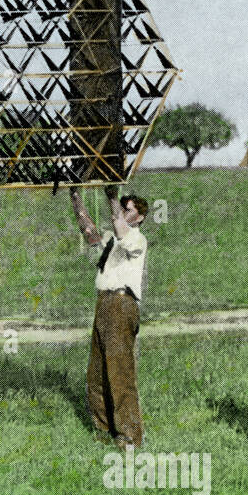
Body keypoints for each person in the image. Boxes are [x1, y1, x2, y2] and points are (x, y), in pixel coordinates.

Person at [71, 184, 150, 449]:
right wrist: (75, 197)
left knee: (120, 372)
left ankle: (129, 435)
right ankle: (103, 429)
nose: (121, 213)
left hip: (121, 303)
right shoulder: (112, 239)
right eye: (122, 209)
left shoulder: (136, 239)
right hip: (104, 303)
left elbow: (118, 224)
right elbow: (89, 231)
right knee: (97, 372)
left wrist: (112, 195)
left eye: (128, 210)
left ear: (138, 217)